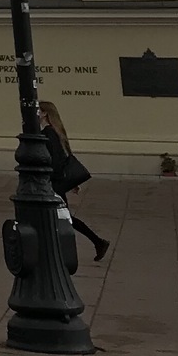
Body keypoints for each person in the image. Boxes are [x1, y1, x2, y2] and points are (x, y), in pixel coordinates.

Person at [40, 101, 110, 261]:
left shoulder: (49, 133)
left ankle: (97, 242)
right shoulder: (55, 132)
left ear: (45, 113)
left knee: (63, 217)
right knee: (61, 216)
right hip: (55, 183)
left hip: (52, 184)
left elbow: (56, 161)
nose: (35, 113)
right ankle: (97, 242)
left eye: (38, 110)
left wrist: (53, 182)